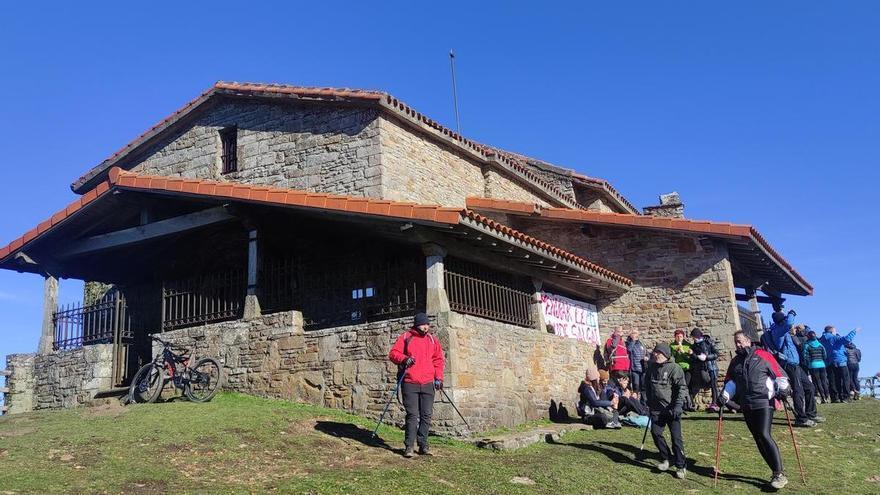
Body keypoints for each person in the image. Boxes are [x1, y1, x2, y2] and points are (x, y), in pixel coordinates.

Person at [717, 331, 792, 490]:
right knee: (758, 438)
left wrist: (784, 388)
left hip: (764, 401)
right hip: (746, 404)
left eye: (740, 341)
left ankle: (779, 474)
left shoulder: (763, 355)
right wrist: (724, 394)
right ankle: (774, 472)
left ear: (748, 341)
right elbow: (731, 382)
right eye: (735, 342)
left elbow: (779, 374)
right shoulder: (735, 362)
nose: (738, 344)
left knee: (764, 435)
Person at [387, 312, 446, 457]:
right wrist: (404, 359)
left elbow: (438, 360)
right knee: (412, 415)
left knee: (426, 415)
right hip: (410, 382)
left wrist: (438, 378)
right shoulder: (406, 337)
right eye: (422, 324)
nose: (425, 327)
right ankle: (409, 447)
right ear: (416, 324)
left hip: (428, 383)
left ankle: (423, 445)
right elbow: (393, 353)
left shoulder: (432, 340)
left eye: (427, 324)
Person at [765, 310, 820, 426]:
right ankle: (801, 418)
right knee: (798, 390)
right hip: (789, 364)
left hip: (795, 364)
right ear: (782, 321)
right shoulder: (778, 331)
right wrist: (792, 313)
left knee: (809, 387)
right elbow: (790, 323)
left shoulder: (782, 331)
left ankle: (811, 413)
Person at [645, 343, 689, 479]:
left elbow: (681, 388)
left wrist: (677, 406)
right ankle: (666, 458)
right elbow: (647, 386)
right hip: (657, 410)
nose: (655, 355)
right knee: (656, 433)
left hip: (672, 409)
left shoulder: (674, 368)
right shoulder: (651, 368)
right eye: (655, 352)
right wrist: (648, 402)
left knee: (676, 439)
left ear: (666, 354)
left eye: (658, 353)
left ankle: (681, 466)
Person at [819, 325, 860, 403]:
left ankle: (835, 397)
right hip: (840, 360)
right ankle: (845, 397)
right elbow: (846, 339)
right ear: (831, 331)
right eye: (835, 331)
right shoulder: (833, 338)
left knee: (833, 380)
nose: (836, 332)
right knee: (845, 379)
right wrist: (854, 331)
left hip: (829, 362)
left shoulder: (822, 339)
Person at [688, 328, 720, 412]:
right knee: (706, 381)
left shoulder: (708, 343)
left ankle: (714, 403)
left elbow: (716, 354)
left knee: (714, 385)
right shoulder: (693, 346)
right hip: (702, 368)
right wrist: (693, 355)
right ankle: (698, 403)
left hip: (711, 367)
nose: (693, 339)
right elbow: (694, 359)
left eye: (694, 337)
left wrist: (707, 357)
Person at [803, 330, 831, 403]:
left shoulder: (807, 345)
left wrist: (808, 364)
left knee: (817, 382)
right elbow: (825, 355)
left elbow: (805, 356)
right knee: (824, 381)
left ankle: (823, 397)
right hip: (822, 364)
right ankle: (827, 396)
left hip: (813, 365)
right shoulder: (820, 345)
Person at [670, 330, 693, 411]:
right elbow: (671, 358)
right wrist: (676, 351)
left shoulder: (688, 345)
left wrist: (684, 352)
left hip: (687, 369)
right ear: (675, 337)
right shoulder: (672, 346)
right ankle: (682, 404)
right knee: (679, 387)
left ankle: (689, 404)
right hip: (678, 369)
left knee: (687, 386)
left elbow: (690, 359)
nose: (679, 338)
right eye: (677, 336)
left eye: (680, 336)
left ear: (683, 337)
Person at [626, 330, 648, 402]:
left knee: (644, 387)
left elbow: (647, 352)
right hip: (634, 368)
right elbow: (629, 349)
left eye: (636, 333)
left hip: (643, 368)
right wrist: (633, 340)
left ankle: (644, 403)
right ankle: (636, 402)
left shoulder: (641, 343)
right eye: (633, 333)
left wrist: (647, 357)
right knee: (636, 386)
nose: (634, 334)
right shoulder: (629, 342)